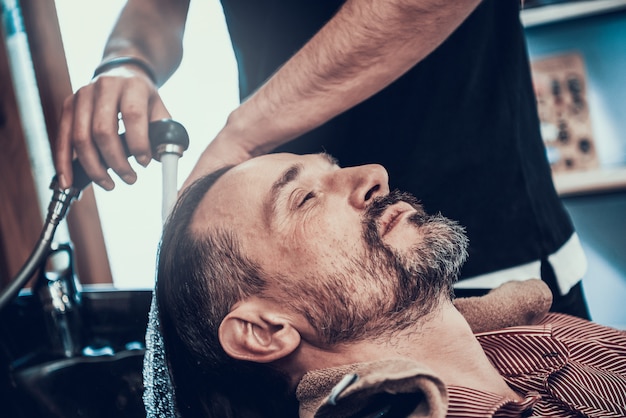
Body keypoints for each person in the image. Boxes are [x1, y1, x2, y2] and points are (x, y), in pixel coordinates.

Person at [54, 1, 589, 316]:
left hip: (485, 235)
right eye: (304, 192)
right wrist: (127, 63)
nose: (375, 180)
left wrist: (244, 137)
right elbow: (154, 10)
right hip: (318, 295)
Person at [152, 152, 626, 418]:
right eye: (305, 198)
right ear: (265, 329)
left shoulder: (538, 334)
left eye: (333, 166)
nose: (373, 175)